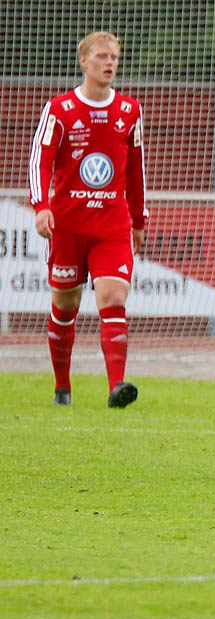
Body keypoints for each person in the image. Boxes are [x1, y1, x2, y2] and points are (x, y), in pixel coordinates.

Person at [30, 31, 148, 408]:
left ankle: (117, 387)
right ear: (84, 61)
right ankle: (62, 386)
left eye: (114, 56)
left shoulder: (130, 111)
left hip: (112, 225)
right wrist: (40, 205)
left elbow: (135, 171)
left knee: (113, 297)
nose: (109, 62)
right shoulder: (60, 109)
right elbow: (40, 160)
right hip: (68, 225)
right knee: (65, 305)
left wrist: (139, 218)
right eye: (101, 56)